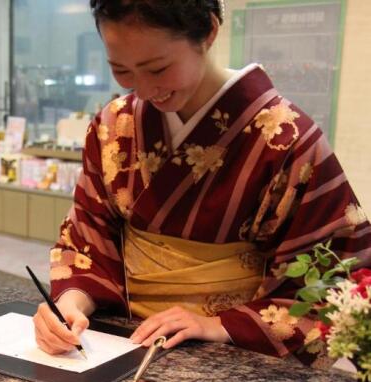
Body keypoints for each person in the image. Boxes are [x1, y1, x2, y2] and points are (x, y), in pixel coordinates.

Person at [33, 0, 371, 360]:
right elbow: (90, 235)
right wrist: (71, 304)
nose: (143, 90)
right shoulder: (115, 124)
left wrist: (219, 325)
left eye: (158, 68)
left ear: (209, 31)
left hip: (229, 351)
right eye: (121, 70)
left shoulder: (286, 138)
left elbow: (332, 277)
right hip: (119, 342)